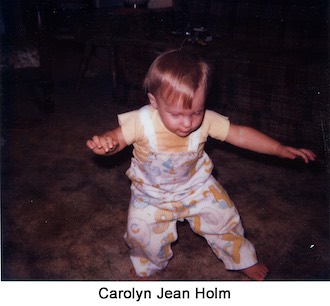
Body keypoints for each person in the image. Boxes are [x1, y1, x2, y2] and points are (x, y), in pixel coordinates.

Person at [86, 50, 315, 280]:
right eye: (176, 114)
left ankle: (241, 258)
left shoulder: (206, 121)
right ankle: (148, 265)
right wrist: (108, 143)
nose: (187, 123)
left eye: (196, 112)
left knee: (225, 218)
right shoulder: (141, 121)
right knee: (142, 233)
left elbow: (241, 135)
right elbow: (118, 139)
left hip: (197, 186)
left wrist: (278, 148)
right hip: (152, 194)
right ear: (154, 101)